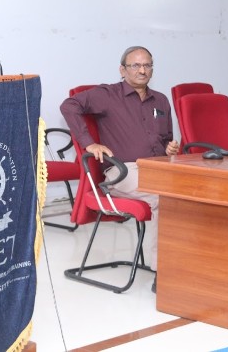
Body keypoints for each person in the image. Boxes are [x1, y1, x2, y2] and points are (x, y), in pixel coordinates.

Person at [60, 45, 180, 293]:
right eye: (136, 65)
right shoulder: (108, 94)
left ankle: (195, 264)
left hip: (158, 169)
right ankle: (166, 272)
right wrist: (88, 143)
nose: (142, 70)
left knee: (195, 195)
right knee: (165, 199)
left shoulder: (161, 100)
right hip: (122, 173)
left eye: (147, 65)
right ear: (122, 70)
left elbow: (167, 138)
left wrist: (170, 149)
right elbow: (69, 105)